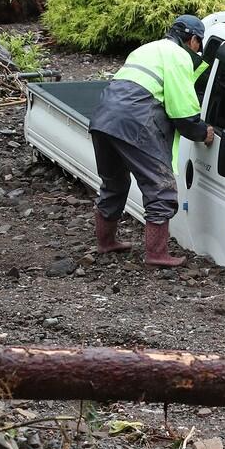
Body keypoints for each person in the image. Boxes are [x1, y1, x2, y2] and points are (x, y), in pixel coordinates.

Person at [88, 14, 214, 267]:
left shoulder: (147, 49)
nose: (198, 49)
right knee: (161, 187)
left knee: (114, 183)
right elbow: (184, 116)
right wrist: (204, 132)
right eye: (198, 44)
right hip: (135, 119)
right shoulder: (178, 57)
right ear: (192, 40)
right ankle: (156, 254)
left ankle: (105, 242)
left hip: (103, 118)